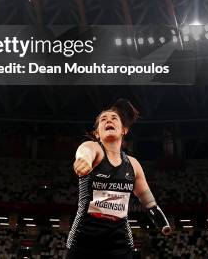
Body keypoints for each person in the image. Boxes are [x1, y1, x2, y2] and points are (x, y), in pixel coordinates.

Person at [66, 99, 171, 258]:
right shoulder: (93, 149)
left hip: (120, 244)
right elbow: (84, 151)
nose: (108, 119)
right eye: (103, 119)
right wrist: (84, 160)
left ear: (124, 130)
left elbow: (150, 204)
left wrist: (162, 223)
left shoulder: (133, 165)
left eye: (114, 118)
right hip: (83, 242)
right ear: (97, 134)